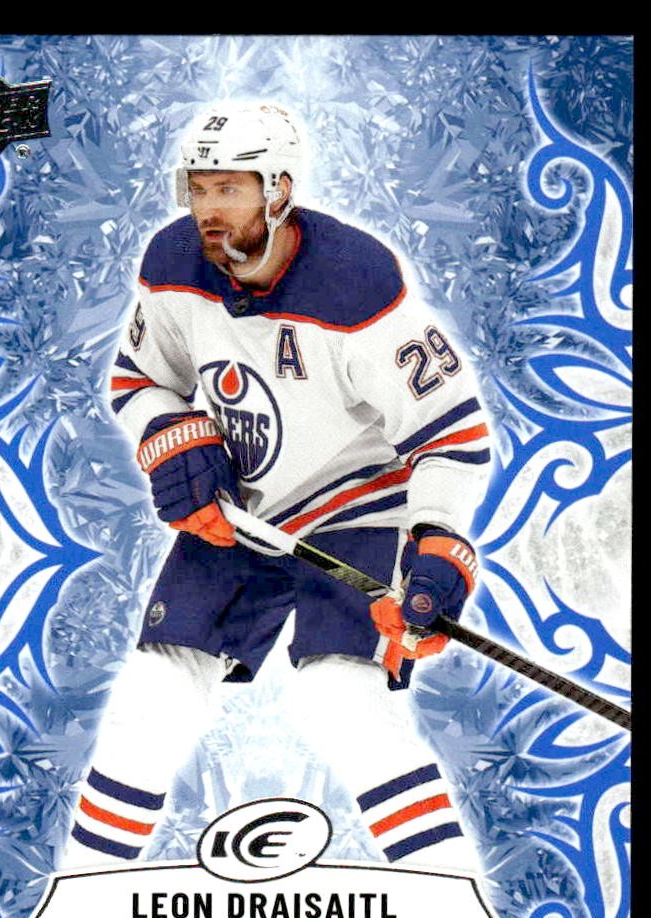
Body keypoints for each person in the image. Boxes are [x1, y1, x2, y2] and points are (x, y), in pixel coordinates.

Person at [61, 103, 491, 877]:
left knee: (339, 699)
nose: (208, 209)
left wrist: (436, 540)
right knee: (152, 694)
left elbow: (452, 434)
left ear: (280, 189)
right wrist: (171, 434)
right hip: (241, 512)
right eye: (198, 188)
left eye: (229, 189)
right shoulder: (172, 263)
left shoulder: (356, 283)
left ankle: (448, 894)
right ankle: (84, 891)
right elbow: (138, 379)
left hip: (360, 506)